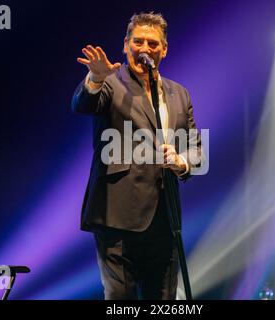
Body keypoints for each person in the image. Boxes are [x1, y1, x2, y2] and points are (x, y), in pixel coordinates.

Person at [71, 12, 202, 300]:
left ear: (164, 49)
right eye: (138, 42)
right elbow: (82, 104)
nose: (145, 49)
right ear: (126, 45)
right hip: (117, 214)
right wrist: (95, 78)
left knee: (164, 298)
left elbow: (197, 151)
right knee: (120, 297)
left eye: (153, 44)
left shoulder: (179, 94)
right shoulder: (110, 82)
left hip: (164, 218)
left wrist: (181, 160)